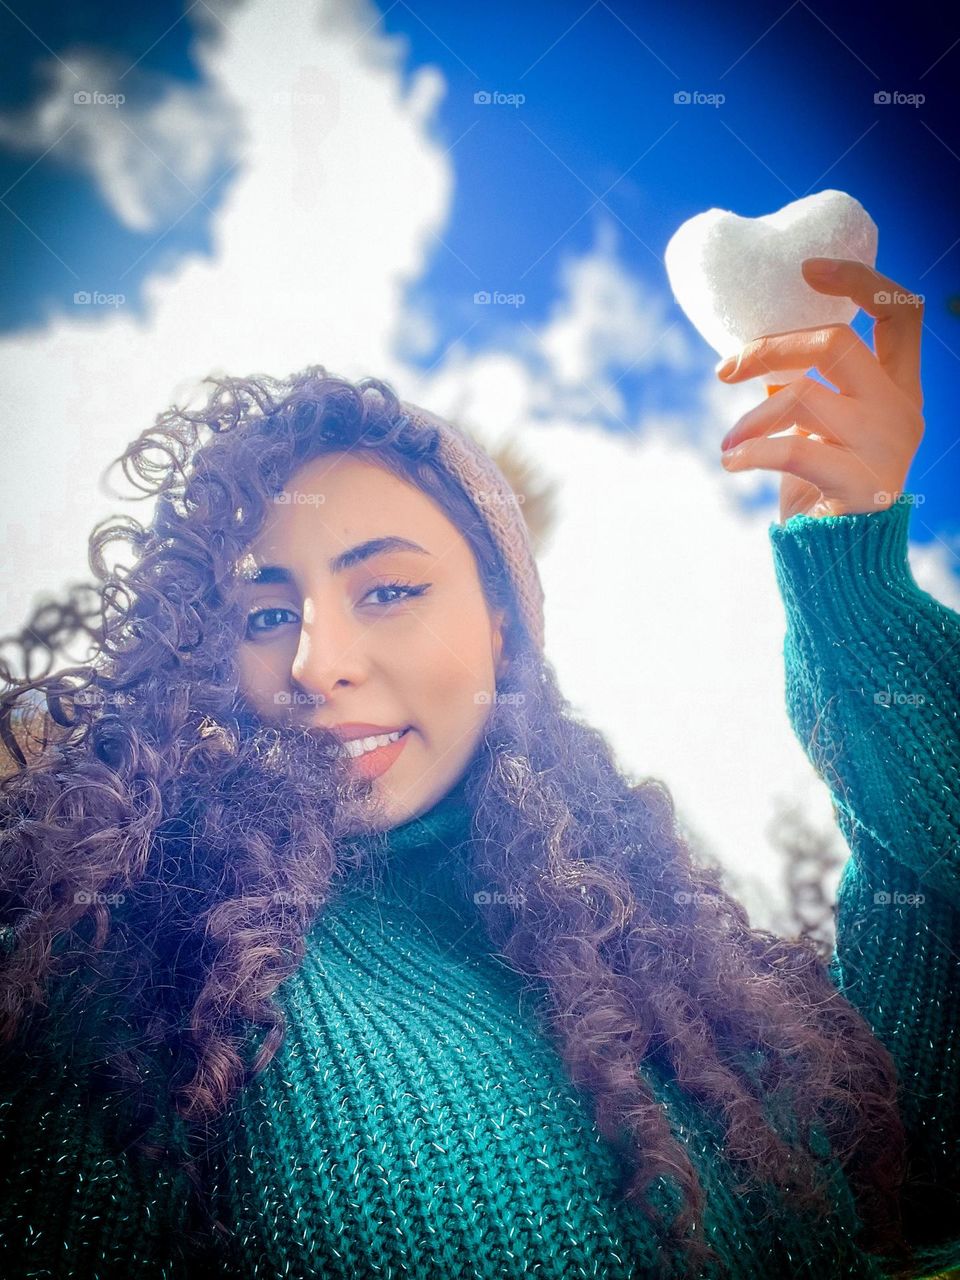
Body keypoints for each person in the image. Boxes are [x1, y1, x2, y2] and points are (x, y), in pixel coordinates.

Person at [0, 258, 957, 1279]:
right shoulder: (140, 963)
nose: (318, 663)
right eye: (268, 613)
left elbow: (923, 1155)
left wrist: (848, 576)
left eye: (389, 589)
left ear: (505, 628)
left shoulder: (678, 962)